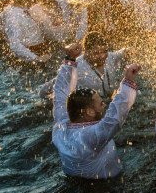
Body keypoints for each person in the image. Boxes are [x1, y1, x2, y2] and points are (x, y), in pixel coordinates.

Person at [52, 43, 140, 179]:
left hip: (74, 182)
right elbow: (114, 120)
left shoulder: (61, 126)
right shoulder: (88, 137)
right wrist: (128, 82)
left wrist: (70, 60)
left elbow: (61, 92)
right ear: (89, 112)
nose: (105, 105)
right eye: (100, 103)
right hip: (105, 188)